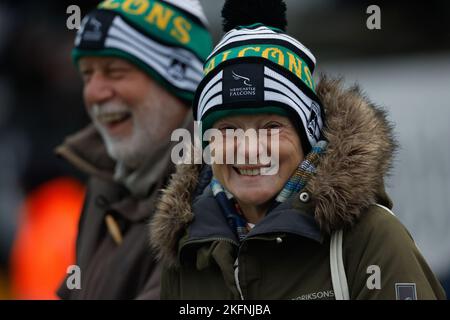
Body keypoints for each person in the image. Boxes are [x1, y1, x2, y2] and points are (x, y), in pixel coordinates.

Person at [149, 0, 446, 300]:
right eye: (228, 130)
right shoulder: (187, 251)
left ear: (308, 135)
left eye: (271, 127)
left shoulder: (369, 239)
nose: (250, 150)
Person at [56, 0, 212, 299]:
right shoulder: (107, 174)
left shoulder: (216, 191)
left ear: (179, 79)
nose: (94, 92)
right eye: (87, 75)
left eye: (115, 72)